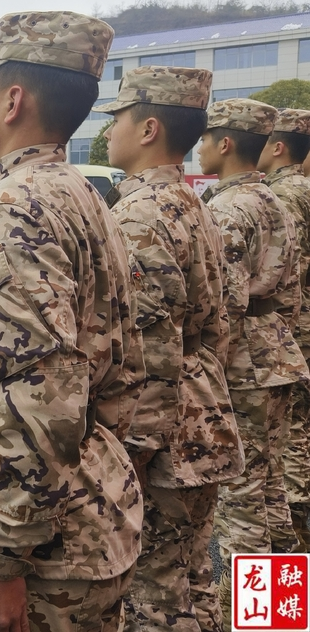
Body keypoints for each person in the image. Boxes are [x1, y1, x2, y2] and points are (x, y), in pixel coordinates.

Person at [0, 11, 144, 632]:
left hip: (42, 549)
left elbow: (29, 393)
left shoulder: (13, 212)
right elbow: (122, 365)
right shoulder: (79, 194)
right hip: (85, 502)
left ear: (13, 99)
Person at [97, 66, 244, 632]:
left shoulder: (139, 216)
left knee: (154, 598)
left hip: (164, 444)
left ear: (149, 128)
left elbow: (151, 353)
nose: (109, 132)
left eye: (118, 119)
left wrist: (130, 454)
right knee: (191, 580)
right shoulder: (191, 204)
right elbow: (219, 322)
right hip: (203, 417)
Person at [198, 98, 310, 628]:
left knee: (242, 504)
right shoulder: (273, 200)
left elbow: (224, 305)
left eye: (205, 137)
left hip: (243, 364)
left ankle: (258, 621)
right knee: (269, 496)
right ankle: (283, 615)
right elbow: (288, 294)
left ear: (225, 143)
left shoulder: (227, 208)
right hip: (277, 353)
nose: (198, 146)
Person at [258, 108, 310, 552]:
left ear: (277, 146)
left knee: (271, 482)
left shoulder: (282, 197)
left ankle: (277, 610)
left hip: (278, 348)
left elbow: (285, 280)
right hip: (288, 344)